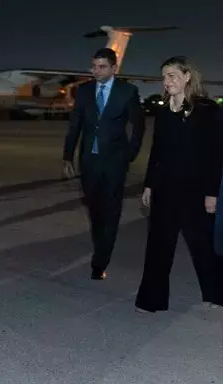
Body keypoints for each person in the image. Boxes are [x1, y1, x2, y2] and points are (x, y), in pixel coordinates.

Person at [135, 56, 223, 313]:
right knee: (158, 246)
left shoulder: (207, 109)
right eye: (164, 76)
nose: (167, 81)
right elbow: (157, 152)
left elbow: (215, 155)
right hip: (165, 189)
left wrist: (211, 193)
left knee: (203, 246)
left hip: (196, 191)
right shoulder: (163, 112)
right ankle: (152, 300)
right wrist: (149, 185)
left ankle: (216, 294)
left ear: (187, 76)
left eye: (172, 75)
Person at [63, 47, 146, 280]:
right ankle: (100, 245)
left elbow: (138, 126)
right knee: (95, 210)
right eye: (93, 66)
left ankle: (100, 261)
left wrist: (129, 154)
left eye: (101, 67)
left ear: (113, 68)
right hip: (89, 161)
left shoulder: (127, 91)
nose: (95, 71)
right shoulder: (84, 91)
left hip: (115, 162)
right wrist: (67, 156)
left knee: (111, 211)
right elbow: (74, 125)